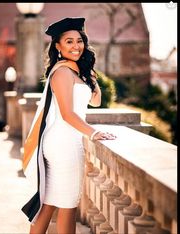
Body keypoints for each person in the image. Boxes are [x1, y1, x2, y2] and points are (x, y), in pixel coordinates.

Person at [21, 17, 116, 234]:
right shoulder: (62, 72)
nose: (76, 46)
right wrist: (94, 132)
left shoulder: (75, 71)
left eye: (79, 41)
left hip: (66, 140)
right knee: (68, 205)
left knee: (50, 203)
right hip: (64, 143)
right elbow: (67, 114)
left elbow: (96, 101)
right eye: (69, 42)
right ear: (58, 46)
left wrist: (90, 73)